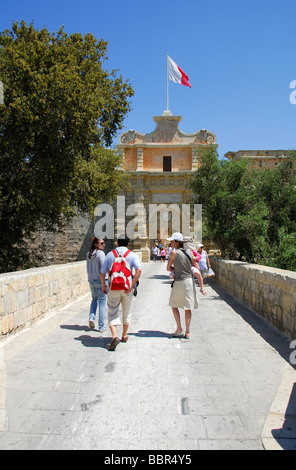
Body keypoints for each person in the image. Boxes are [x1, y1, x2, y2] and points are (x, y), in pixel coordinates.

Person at [100, 234, 141, 351]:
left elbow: (102, 272)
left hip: (113, 287)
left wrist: (103, 285)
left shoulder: (110, 255)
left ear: (117, 243)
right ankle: (124, 335)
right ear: (128, 243)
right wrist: (132, 285)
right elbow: (139, 270)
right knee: (126, 311)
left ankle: (114, 336)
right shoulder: (132, 255)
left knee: (112, 311)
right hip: (127, 287)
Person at [166, 232, 198, 340]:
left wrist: (176, 270)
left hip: (179, 281)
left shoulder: (173, 253)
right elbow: (192, 263)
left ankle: (179, 328)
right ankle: (187, 332)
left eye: (172, 241)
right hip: (189, 281)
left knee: (174, 305)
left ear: (176, 242)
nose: (171, 243)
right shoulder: (189, 252)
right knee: (187, 307)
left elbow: (168, 268)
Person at [86, 237, 107, 332]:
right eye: (102, 243)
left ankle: (91, 318)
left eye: (104, 242)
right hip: (100, 281)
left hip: (91, 280)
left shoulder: (88, 254)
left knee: (94, 300)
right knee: (102, 302)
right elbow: (103, 269)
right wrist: (104, 283)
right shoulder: (101, 254)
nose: (104, 244)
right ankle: (101, 326)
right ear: (96, 244)